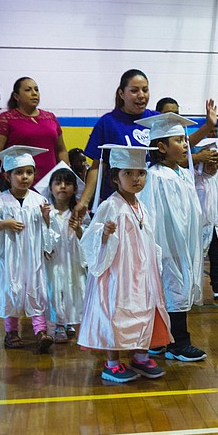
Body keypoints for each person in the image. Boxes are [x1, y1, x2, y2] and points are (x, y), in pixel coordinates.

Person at [78, 145, 172, 383]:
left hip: (142, 272)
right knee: (116, 313)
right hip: (118, 272)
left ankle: (140, 356)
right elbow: (91, 236)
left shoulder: (143, 207)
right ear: (115, 178)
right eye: (128, 173)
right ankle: (112, 363)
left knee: (143, 310)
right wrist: (104, 233)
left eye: (140, 173)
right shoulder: (111, 205)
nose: (136, 178)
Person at [77, 70, 218, 213]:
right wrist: (84, 201)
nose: (141, 95)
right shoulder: (108, 123)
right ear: (121, 93)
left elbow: (179, 147)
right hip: (121, 202)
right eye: (134, 90)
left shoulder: (157, 119)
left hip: (155, 201)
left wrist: (208, 126)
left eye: (145, 90)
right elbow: (97, 167)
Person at [136, 113, 207, 362]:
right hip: (166, 246)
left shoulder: (184, 174)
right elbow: (151, 213)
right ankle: (178, 342)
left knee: (176, 289)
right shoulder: (154, 176)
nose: (186, 144)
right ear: (162, 147)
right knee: (171, 289)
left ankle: (160, 340)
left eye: (184, 139)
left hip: (183, 244)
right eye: (179, 140)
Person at [0, 145, 55, 353]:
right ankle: (11, 332)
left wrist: (47, 219)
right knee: (10, 291)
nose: (25, 177)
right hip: (9, 257)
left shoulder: (39, 201)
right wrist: (2, 224)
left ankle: (40, 332)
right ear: (7, 175)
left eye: (29, 172)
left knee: (36, 291)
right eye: (19, 172)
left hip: (33, 258)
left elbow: (49, 231)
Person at [34, 162, 87, 343]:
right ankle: (57, 325)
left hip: (73, 259)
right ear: (50, 188)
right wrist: (47, 222)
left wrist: (79, 230)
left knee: (75, 288)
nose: (62, 187)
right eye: (57, 183)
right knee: (54, 290)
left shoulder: (79, 213)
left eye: (67, 183)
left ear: (74, 188)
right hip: (54, 259)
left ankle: (70, 321)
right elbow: (39, 236)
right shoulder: (46, 212)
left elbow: (89, 240)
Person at [0, 77, 68, 187]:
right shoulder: (5, 119)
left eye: (36, 89)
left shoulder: (50, 117)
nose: (34, 93)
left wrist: (67, 175)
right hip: (17, 183)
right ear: (16, 96)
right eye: (28, 90)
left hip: (50, 184)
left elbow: (61, 151)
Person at [192, 137, 218, 304]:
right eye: (209, 163)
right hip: (198, 225)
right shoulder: (194, 176)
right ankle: (193, 289)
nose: (213, 167)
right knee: (195, 259)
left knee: (217, 258)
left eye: (216, 162)